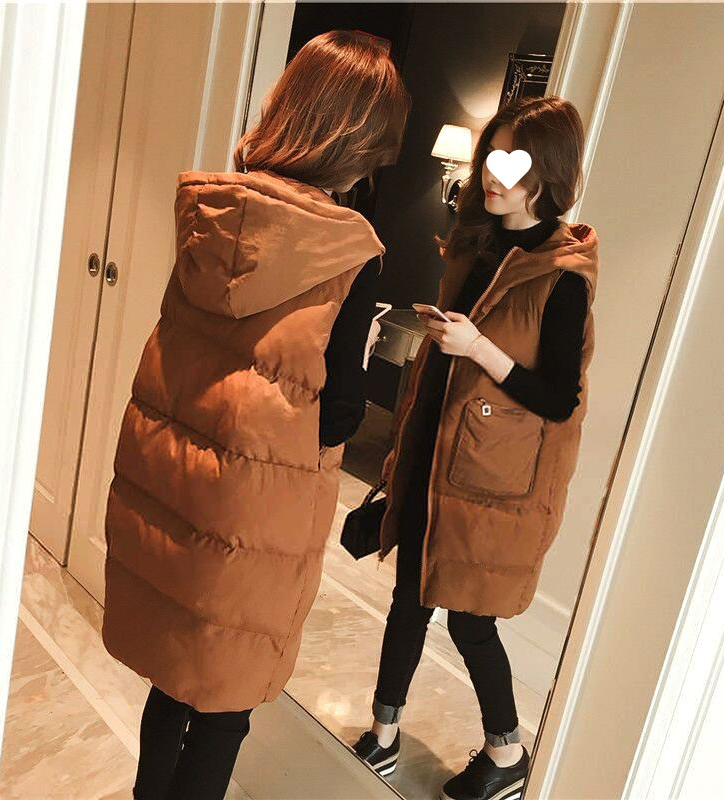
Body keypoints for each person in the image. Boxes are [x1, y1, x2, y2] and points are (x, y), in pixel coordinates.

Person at [100, 30, 410, 800]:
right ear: (356, 140)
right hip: (254, 511)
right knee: (224, 705)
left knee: (174, 675)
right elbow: (339, 415)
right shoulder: (349, 252)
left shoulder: (213, 210)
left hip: (178, 474)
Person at [352, 96, 599, 800]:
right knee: (407, 601)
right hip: (434, 455)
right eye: (493, 155)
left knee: (470, 620)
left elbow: (559, 398)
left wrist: (478, 348)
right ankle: (384, 732)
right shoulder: (475, 246)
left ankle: (507, 751)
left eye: (515, 161)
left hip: (489, 482)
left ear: (549, 172)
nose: (495, 174)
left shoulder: (562, 275)